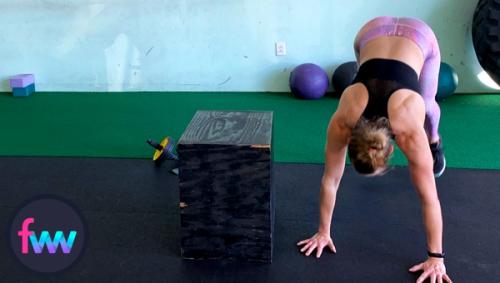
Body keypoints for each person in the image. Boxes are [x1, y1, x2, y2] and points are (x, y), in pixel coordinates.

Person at [297, 17, 452, 283]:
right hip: (371, 31)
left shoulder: (408, 131)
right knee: (379, 81)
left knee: (427, 103)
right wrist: (323, 231)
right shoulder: (344, 119)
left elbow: (430, 199)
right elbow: (330, 181)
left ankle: (435, 141)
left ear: (392, 150)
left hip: (414, 36)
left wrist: (436, 258)